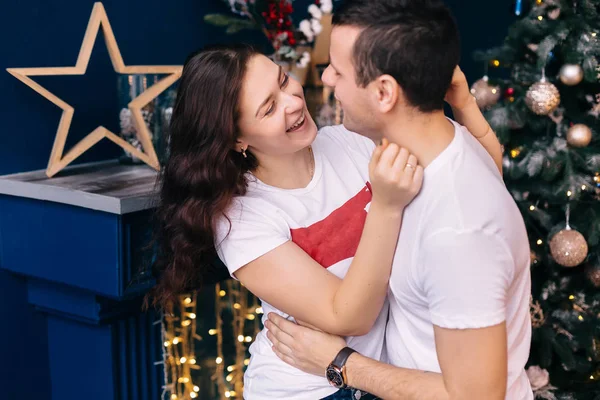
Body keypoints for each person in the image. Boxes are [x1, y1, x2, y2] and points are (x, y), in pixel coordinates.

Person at [150, 37, 503, 400]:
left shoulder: (352, 141)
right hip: (307, 390)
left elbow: (479, 184)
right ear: (237, 138)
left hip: (374, 378)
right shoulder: (241, 217)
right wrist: (385, 205)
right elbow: (348, 317)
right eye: (269, 108)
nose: (293, 102)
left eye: (284, 80)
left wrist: (463, 102)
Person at [266, 1, 533, 399]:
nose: (326, 78)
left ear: (384, 92)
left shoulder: (457, 232)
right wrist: (465, 104)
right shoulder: (450, 142)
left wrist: (340, 362)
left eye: (338, 70)